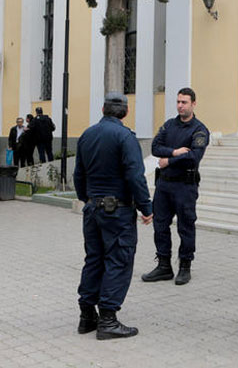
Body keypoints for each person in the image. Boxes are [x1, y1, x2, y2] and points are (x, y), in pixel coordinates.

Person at [73, 92, 153, 341]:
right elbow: (134, 175)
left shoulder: (87, 134)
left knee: (94, 260)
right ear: (126, 112)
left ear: (103, 109)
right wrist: (146, 207)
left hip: (93, 209)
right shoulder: (125, 136)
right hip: (117, 211)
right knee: (118, 259)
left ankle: (87, 316)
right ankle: (107, 319)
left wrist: (87, 198)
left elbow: (78, 174)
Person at [141, 88, 209, 286]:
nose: (180, 106)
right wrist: (176, 151)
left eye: (184, 102)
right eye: (178, 102)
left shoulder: (199, 130)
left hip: (184, 186)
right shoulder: (169, 125)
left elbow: (194, 156)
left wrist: (169, 160)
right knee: (160, 225)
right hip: (164, 185)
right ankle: (163, 266)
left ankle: (185, 267)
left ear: (193, 104)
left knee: (185, 227)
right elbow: (155, 148)